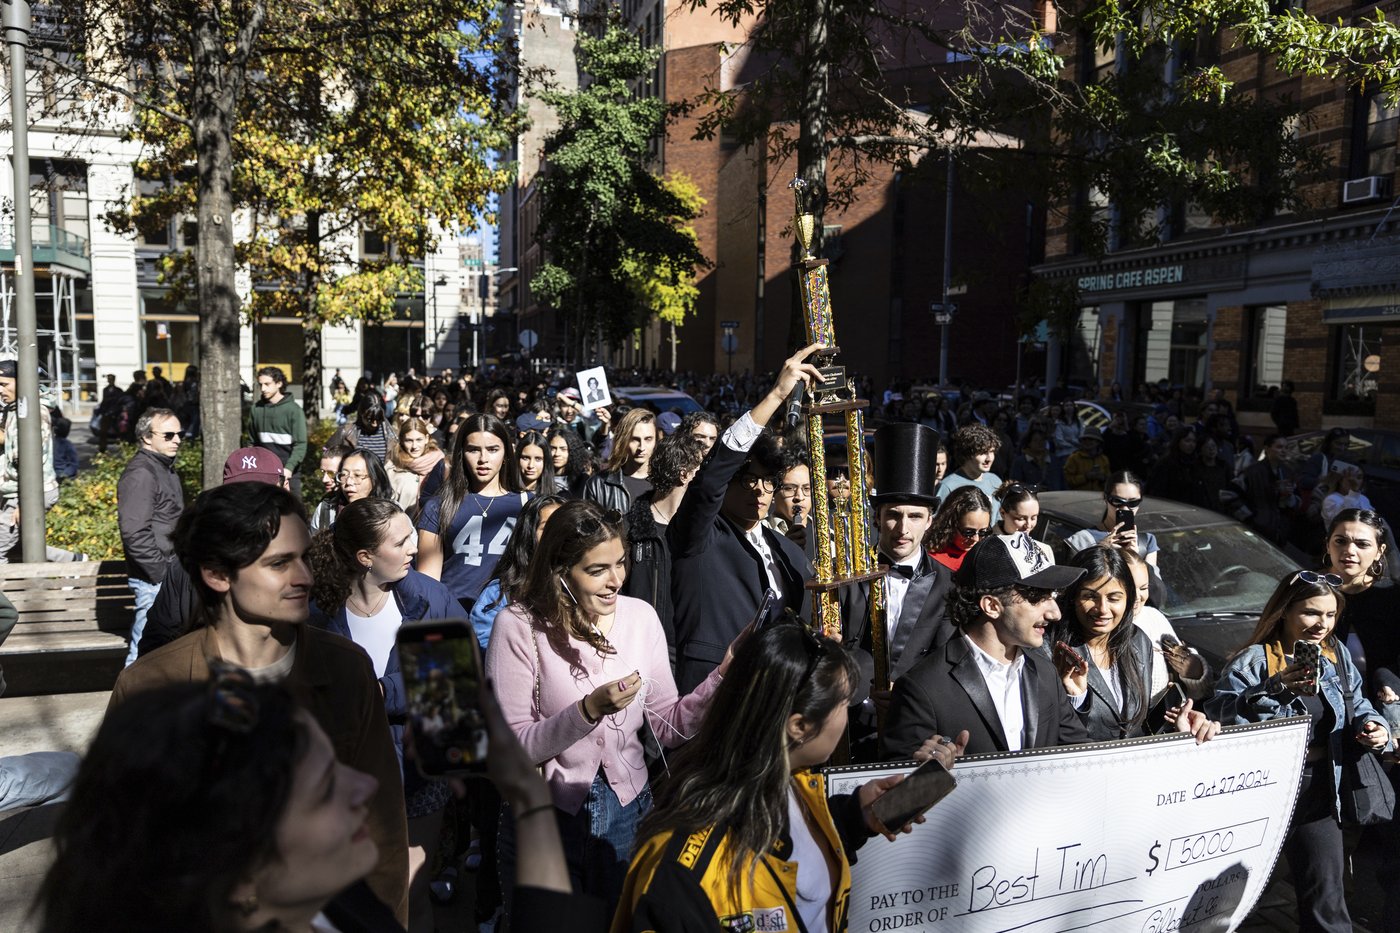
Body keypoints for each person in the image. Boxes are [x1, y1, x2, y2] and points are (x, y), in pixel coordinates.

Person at [108, 482, 410, 922]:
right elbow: (123, 855)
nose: (305, 576)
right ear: (217, 574)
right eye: (279, 563)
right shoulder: (150, 687)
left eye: (304, 557)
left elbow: (383, 831)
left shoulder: (346, 671)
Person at [614, 621, 949, 932]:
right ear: (799, 727)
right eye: (843, 706)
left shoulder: (797, 789)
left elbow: (796, 860)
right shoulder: (680, 872)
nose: (847, 719)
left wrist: (855, 817)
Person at [485, 501, 729, 916]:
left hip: (629, 811)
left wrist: (726, 673)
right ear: (560, 572)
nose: (616, 580)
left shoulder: (641, 617)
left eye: (621, 563)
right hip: (548, 818)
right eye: (597, 570)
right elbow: (511, 750)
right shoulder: (518, 625)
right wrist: (587, 711)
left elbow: (670, 724)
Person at [37, 677, 398, 933]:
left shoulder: (336, 893)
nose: (367, 785)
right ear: (239, 875)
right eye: (325, 788)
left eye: (338, 765)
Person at [306, 496, 457, 932]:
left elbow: (451, 684)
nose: (414, 548)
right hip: (342, 784)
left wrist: (376, 691)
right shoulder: (318, 609)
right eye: (401, 541)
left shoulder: (430, 598)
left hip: (417, 780)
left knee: (409, 900)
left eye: (412, 536)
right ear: (365, 557)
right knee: (350, 902)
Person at [1209, 571, 1389, 932]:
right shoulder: (1253, 661)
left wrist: (1374, 728)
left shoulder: (1335, 656)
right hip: (1265, 792)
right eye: (1310, 613)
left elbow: (1358, 703)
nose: (1321, 624)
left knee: (1326, 897)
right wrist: (1277, 687)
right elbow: (1220, 717)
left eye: (1329, 615)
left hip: (1320, 791)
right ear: (1285, 612)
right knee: (1232, 899)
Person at [670, 346, 822, 693]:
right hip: (711, 691)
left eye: (769, 482)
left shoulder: (788, 550)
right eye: (748, 480)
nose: (760, 491)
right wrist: (778, 395)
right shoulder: (700, 534)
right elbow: (709, 484)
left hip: (773, 692)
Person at [882, 531, 1091, 760]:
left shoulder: (1045, 672)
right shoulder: (922, 688)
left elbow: (1078, 755)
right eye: (1036, 598)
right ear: (991, 606)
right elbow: (901, 784)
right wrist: (935, 774)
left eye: (1053, 596)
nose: (1055, 613)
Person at [1048, 546, 1218, 742]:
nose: (1103, 609)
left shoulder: (1138, 641)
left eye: (1114, 598)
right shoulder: (1051, 651)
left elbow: (1137, 725)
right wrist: (1076, 699)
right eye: (1090, 596)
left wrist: (1178, 723)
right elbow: (1048, 731)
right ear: (1072, 597)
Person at [136, 447, 287, 658]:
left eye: (263, 492)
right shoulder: (188, 565)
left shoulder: (304, 562)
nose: (252, 504)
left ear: (285, 488)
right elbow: (156, 645)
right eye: (240, 494)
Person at [416, 412, 527, 613]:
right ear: (461, 453)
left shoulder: (527, 505)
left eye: (493, 449)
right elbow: (428, 585)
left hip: (509, 620)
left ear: (506, 454)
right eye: (474, 450)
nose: (483, 459)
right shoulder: (439, 506)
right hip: (452, 619)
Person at [621, 434, 705, 649]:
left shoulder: (701, 530)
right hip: (640, 647)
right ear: (685, 475)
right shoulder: (628, 529)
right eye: (700, 471)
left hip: (686, 649)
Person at [117, 407, 186, 667]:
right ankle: (127, 704)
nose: (177, 439)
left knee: (160, 651)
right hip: (153, 579)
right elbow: (134, 532)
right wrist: (160, 573)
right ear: (147, 437)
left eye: (180, 434)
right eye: (168, 435)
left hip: (166, 573)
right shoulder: (142, 473)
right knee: (144, 654)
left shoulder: (163, 468)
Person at [469, 493, 567, 649]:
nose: (557, 534)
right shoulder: (500, 593)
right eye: (547, 527)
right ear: (528, 534)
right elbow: (484, 647)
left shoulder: (583, 584)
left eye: (564, 526)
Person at [1121, 547, 1212, 706]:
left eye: (1143, 588)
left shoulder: (1153, 617)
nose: (1137, 596)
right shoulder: (1100, 629)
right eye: (1128, 588)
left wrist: (1194, 671)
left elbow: (1196, 688)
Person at [1064, 471, 1160, 569]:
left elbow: (1153, 583)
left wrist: (1135, 559)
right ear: (1105, 498)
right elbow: (1073, 581)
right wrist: (1100, 551)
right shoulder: (1081, 540)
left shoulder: (1147, 542)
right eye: (1117, 501)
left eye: (1133, 503)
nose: (1125, 509)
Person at [248, 366, 308, 496]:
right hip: (263, 471)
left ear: (279, 383)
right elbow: (251, 443)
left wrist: (289, 468)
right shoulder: (256, 409)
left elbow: (301, 444)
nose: (263, 389)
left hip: (288, 472)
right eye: (261, 384)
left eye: (267, 384)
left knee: (292, 511)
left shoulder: (294, 410)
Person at [583, 408, 656, 514]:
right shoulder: (598, 485)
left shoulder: (668, 483)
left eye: (648, 439)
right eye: (635, 439)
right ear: (623, 440)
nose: (642, 447)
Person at [309, 447, 394, 534]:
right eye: (344, 475)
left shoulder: (393, 514)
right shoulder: (326, 511)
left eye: (357, 475)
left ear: (375, 479)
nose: (348, 482)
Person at [935, 423, 1004, 522]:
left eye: (992, 451)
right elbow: (937, 524)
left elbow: (1000, 518)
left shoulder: (995, 481)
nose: (989, 458)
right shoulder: (948, 486)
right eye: (983, 452)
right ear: (967, 454)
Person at [1241, 433, 1299, 546]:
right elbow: (1230, 495)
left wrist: (1290, 497)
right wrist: (1249, 518)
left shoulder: (1288, 472)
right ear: (1267, 449)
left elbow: (1297, 501)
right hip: (1257, 529)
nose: (1283, 451)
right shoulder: (1252, 472)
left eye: (1286, 447)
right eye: (1279, 447)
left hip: (1281, 529)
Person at [763, 444, 816, 560]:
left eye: (806, 489)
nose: (799, 497)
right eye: (789, 489)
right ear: (773, 492)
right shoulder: (760, 533)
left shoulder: (826, 531)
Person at [924, 486, 993, 573]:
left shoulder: (988, 557)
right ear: (951, 525)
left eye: (983, 532)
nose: (976, 539)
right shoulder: (930, 561)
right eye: (968, 532)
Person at [385, 417, 444, 512]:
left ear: (426, 439)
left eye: (419, 440)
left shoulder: (439, 461)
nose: (414, 446)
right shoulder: (393, 464)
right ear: (402, 440)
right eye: (409, 440)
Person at [995, 481, 1055, 565]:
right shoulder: (987, 549)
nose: (1028, 525)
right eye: (1021, 518)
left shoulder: (1044, 551)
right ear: (1003, 513)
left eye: (1033, 518)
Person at [329, 394, 396, 464]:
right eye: (370, 419)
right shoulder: (345, 432)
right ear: (361, 413)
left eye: (378, 419)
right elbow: (327, 452)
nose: (375, 424)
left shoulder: (393, 436)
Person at [517, 429, 557, 495]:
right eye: (525, 458)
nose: (531, 465)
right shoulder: (503, 491)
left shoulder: (558, 493)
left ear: (546, 461)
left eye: (538, 459)